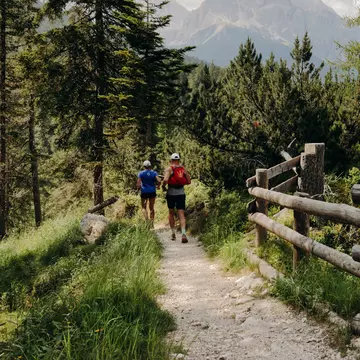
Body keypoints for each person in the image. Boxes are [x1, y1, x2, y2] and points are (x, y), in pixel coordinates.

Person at [162, 153, 191, 243]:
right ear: (179, 160)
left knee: (171, 213)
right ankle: (183, 234)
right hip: (181, 193)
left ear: (171, 160)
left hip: (171, 194)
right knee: (181, 215)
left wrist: (163, 186)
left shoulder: (169, 169)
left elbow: (166, 180)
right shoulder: (183, 169)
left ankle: (173, 233)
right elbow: (189, 181)